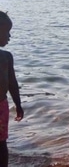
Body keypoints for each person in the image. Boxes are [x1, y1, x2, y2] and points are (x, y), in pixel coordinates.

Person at [0, 11, 24, 167]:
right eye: (7, 31)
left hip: (0, 107)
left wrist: (18, 105)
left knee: (1, 144)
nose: (9, 36)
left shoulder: (6, 57)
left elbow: (12, 84)